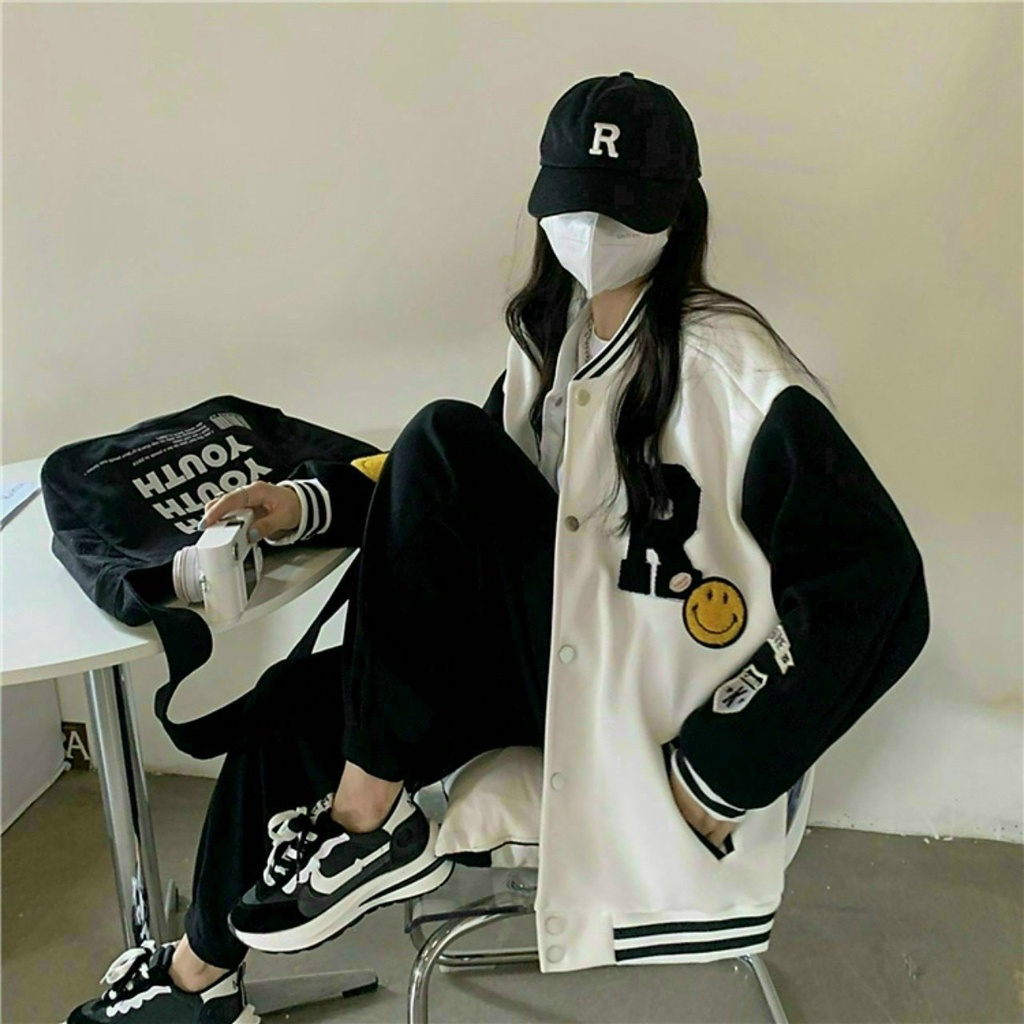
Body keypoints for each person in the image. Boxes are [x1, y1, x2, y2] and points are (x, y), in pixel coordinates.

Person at [65, 71, 929, 1023]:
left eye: (622, 204)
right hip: (550, 655)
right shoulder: (552, 339)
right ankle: (200, 980)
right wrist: (304, 505)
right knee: (291, 705)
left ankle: (366, 820)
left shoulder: (735, 372)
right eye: (576, 202)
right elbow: (445, 507)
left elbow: (878, 585)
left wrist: (723, 769)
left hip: (639, 696)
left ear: (678, 213)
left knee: (441, 437)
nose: (592, 228)